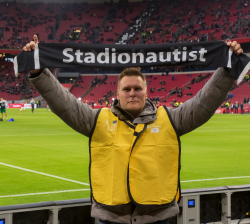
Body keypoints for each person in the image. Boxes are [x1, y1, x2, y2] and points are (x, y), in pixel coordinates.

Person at [23, 36, 243, 224]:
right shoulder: (97, 119)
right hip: (110, 217)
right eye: (126, 89)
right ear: (117, 93)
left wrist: (226, 71)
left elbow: (203, 104)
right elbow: (64, 104)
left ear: (146, 92)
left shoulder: (170, 119)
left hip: (159, 217)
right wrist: (39, 72)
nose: (132, 93)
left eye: (137, 88)